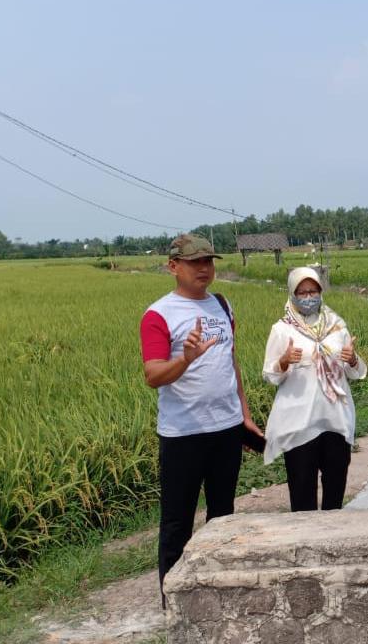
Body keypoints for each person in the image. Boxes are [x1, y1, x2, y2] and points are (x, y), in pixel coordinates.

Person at [139, 233, 265, 602]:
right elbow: (153, 375)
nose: (204, 268)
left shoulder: (222, 305)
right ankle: (173, 603)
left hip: (226, 430)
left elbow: (231, 361)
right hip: (183, 435)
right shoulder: (158, 315)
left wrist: (244, 414)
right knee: (177, 523)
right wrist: (186, 359)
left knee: (223, 517)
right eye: (195, 262)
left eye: (208, 261)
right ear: (173, 266)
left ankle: (218, 593)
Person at [261, 267, 367, 511]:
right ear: (292, 294)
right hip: (299, 422)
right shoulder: (282, 329)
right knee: (302, 493)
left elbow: (355, 371)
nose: (309, 297)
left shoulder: (336, 326)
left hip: (335, 419)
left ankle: (332, 541)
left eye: (313, 291)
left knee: (335, 489)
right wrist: (284, 361)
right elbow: (270, 375)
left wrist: (352, 359)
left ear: (321, 291)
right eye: (302, 292)